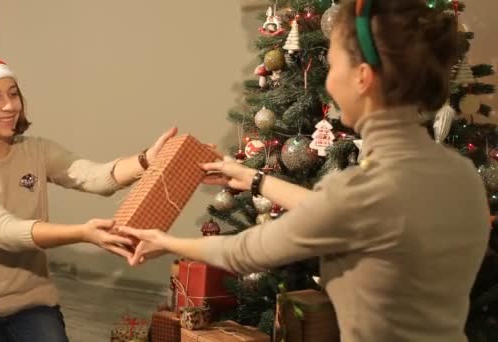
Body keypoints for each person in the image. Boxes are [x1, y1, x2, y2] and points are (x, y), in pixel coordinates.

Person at [118, 0, 490, 340]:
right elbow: (337, 212)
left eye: (332, 61)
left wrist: (164, 241)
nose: (327, 78)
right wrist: (253, 179)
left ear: (362, 77)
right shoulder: (459, 176)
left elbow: (242, 251)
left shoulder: (363, 191)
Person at [0, 52, 176, 342]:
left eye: (13, 94)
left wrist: (147, 159)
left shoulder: (36, 150)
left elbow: (93, 176)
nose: (10, 106)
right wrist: (83, 233)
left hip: (32, 301)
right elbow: (4, 230)